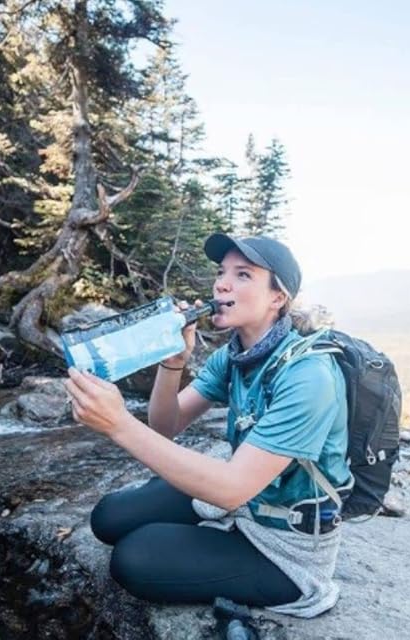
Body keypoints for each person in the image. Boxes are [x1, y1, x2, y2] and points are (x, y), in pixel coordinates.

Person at [64, 233, 352, 618]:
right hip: (245, 503)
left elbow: (231, 489)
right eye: (221, 272)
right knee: (109, 517)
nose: (221, 284)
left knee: (134, 558)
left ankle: (277, 577)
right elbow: (165, 426)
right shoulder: (233, 356)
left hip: (286, 547)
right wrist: (173, 362)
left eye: (243, 275)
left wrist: (118, 423)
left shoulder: (308, 375)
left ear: (277, 298)